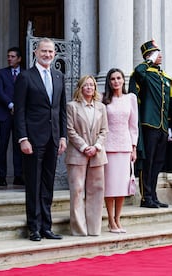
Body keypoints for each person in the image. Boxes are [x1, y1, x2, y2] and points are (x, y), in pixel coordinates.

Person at [14, 38, 67, 241]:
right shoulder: (26, 77)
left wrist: (62, 136)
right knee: (34, 184)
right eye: (43, 51)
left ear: (54, 54)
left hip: (53, 138)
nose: (47, 55)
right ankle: (34, 227)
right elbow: (19, 111)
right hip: (33, 140)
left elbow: (61, 110)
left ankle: (47, 226)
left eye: (51, 52)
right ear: (35, 52)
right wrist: (23, 138)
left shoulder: (58, 76)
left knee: (48, 184)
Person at [128, 39, 172, 209]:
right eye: (157, 53)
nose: (160, 56)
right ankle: (146, 196)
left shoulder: (163, 77)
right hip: (149, 124)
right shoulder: (144, 73)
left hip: (162, 126)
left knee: (157, 163)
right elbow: (137, 73)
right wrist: (148, 60)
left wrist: (170, 128)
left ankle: (154, 195)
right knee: (147, 162)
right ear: (149, 56)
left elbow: (168, 104)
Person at [65, 75, 108, 236]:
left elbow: (105, 130)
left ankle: (94, 228)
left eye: (92, 85)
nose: (89, 88)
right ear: (80, 88)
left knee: (96, 190)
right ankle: (79, 229)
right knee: (77, 190)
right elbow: (70, 130)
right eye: (86, 85)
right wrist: (84, 147)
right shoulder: (72, 106)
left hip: (97, 153)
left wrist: (96, 146)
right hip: (77, 153)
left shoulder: (101, 107)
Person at [102, 68, 138, 233]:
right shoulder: (104, 99)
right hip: (108, 146)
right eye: (112, 79)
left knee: (121, 186)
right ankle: (110, 220)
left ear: (123, 80)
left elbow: (133, 125)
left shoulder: (130, 98)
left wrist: (134, 148)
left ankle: (118, 218)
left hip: (125, 145)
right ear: (109, 82)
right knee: (110, 185)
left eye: (118, 78)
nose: (116, 81)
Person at [0, 47, 24, 186]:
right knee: (3, 145)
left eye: (12, 56)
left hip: (20, 115)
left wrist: (19, 107)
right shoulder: (1, 73)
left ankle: (19, 175)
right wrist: (11, 105)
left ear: (19, 58)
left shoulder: (25, 73)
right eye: (8, 56)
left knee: (19, 145)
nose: (9, 59)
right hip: (4, 113)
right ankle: (2, 176)